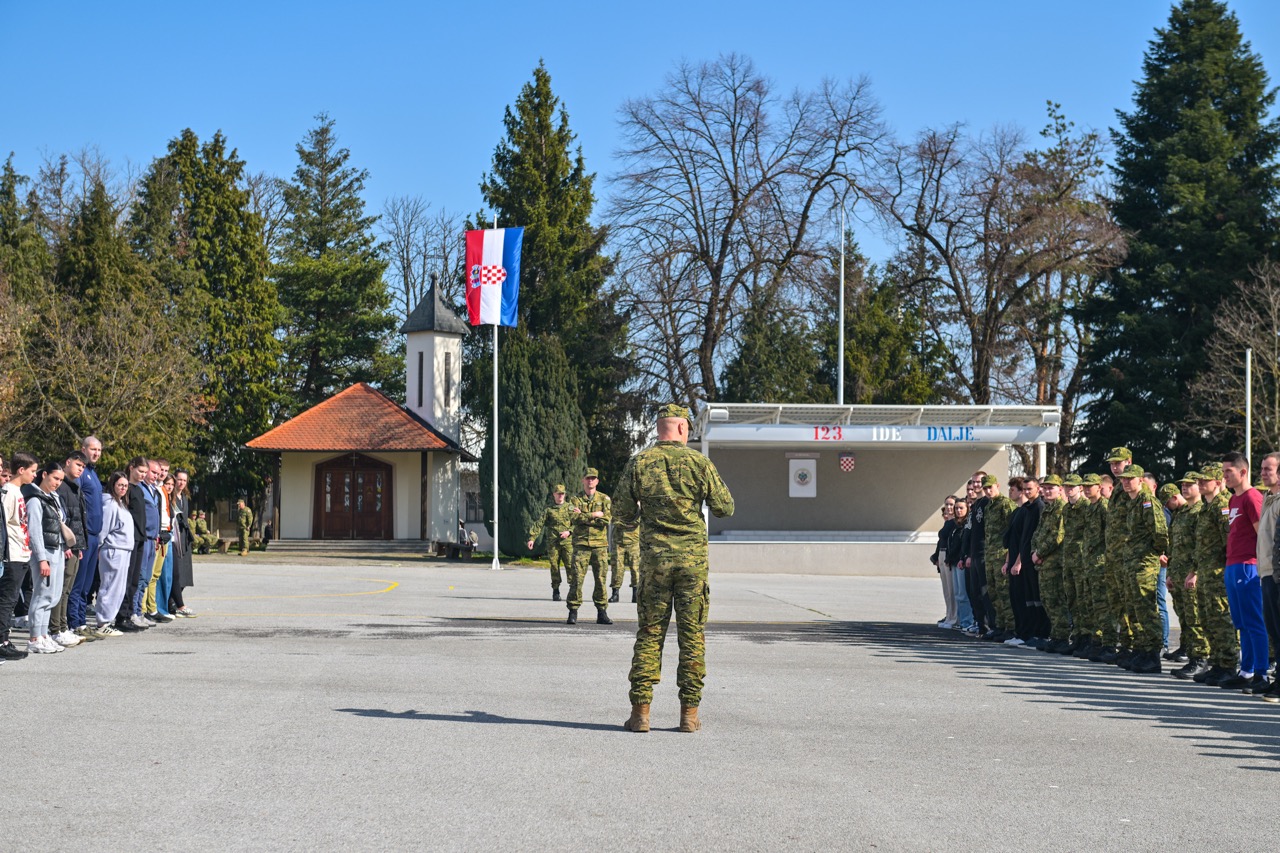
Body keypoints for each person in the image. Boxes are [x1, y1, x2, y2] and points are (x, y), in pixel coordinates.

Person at [616, 404, 734, 734]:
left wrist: (646, 519)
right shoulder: (700, 463)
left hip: (654, 563)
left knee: (650, 634)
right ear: (683, 429)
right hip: (692, 564)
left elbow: (622, 514)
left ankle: (640, 713)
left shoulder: (639, 463)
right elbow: (726, 507)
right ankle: (689, 715)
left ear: (659, 429)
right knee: (692, 635)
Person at [1218, 451, 1268, 693]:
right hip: (1232, 565)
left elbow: (1264, 536)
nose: (1224, 475)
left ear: (1243, 472)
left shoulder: (1252, 498)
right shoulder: (1232, 500)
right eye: (1224, 471)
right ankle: (1246, 671)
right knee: (1241, 623)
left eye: (1229, 471)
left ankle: (1261, 673)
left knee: (1254, 622)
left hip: (1249, 566)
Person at [1117, 465, 1168, 674]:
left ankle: (1153, 655)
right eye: (1123, 479)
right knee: (1134, 608)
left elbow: (1160, 531)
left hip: (1144, 563)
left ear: (1140, 480)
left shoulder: (1147, 501)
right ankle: (1141, 649)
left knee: (1146, 608)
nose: (1126, 482)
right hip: (1132, 562)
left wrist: (1152, 554)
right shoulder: (1133, 502)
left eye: (1131, 479)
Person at [1190, 463, 1237, 685]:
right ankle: (1217, 662)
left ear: (1218, 483)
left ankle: (1228, 664)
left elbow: (1229, 542)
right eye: (1199, 479)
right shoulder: (1206, 507)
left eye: (1204, 480)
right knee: (1208, 619)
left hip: (1219, 573)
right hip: (1206, 573)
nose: (1200, 483)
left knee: (1221, 619)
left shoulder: (1222, 506)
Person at [23, 462, 69, 654]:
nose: (57, 483)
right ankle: (34, 637)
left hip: (57, 549)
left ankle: (43, 635)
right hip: (45, 552)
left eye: (60, 480)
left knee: (53, 595)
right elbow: (34, 532)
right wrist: (42, 558)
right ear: (44, 475)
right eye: (55, 478)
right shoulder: (35, 499)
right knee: (42, 594)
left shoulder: (53, 498)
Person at [0, 452, 39, 660]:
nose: (35, 475)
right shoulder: (8, 492)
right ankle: (1, 641)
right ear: (21, 470)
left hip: (22, 553)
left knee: (12, 599)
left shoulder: (18, 492)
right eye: (32, 471)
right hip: (11, 554)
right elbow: (4, 525)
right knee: (7, 600)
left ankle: (5, 638)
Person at [1170, 472, 1209, 679]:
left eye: (1189, 484)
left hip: (1192, 574)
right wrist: (1170, 574)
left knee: (1195, 618)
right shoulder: (1183, 512)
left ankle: (1200, 659)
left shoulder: (1200, 511)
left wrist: (1195, 572)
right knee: (1185, 618)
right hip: (1178, 573)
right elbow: (1174, 546)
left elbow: (1201, 546)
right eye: (1182, 485)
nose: (1184, 488)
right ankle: (1192, 654)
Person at [51, 451, 88, 647]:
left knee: (67, 588)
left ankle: (63, 626)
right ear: (68, 462)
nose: (80, 469)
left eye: (83, 467)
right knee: (61, 589)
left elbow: (77, 520)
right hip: (65, 546)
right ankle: (56, 628)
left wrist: (79, 545)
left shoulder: (74, 487)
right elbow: (60, 519)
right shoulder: (62, 487)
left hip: (74, 545)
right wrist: (66, 544)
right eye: (78, 465)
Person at [68, 436, 103, 638]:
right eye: (93, 449)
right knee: (78, 583)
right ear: (83, 448)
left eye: (99, 450)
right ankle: (74, 623)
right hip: (84, 535)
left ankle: (81, 621)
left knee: (87, 584)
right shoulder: (81, 474)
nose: (96, 453)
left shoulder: (93, 474)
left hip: (95, 536)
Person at [568, 469, 612, 625]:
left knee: (600, 579)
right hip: (581, 545)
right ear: (583, 480)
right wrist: (594, 515)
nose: (590, 481)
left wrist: (584, 515)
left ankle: (602, 612)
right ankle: (573, 611)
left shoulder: (605, 499)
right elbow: (573, 518)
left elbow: (606, 520)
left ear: (597, 481)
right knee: (577, 579)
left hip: (600, 546)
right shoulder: (575, 500)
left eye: (593, 479)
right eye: (588, 478)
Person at [1031, 474, 1069, 653]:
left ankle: (1062, 637)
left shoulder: (1061, 508)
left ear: (1060, 489)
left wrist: (1039, 552)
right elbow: (1037, 533)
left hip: (1055, 563)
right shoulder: (1048, 509)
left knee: (1056, 600)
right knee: (1047, 600)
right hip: (1043, 563)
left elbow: (1058, 536)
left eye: (1051, 488)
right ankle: (1055, 635)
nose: (1047, 491)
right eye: (1045, 488)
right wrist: (1034, 551)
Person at [94, 472, 133, 636]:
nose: (123, 488)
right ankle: (102, 623)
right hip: (113, 550)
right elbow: (104, 529)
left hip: (124, 550)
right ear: (113, 485)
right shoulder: (110, 503)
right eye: (120, 485)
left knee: (118, 588)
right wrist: (99, 547)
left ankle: (108, 620)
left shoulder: (121, 503)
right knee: (109, 587)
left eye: (125, 486)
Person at [981, 476, 1016, 641]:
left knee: (1004, 592)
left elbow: (1012, 531)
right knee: (994, 592)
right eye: (985, 488)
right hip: (990, 555)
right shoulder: (989, 507)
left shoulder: (1005, 504)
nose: (988, 491)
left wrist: (1009, 557)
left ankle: (1011, 627)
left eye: (990, 487)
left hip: (1002, 555)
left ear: (997, 486)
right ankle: (1000, 626)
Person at [526, 484, 575, 601]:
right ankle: (556, 590)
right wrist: (532, 538)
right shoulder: (549, 510)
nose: (560, 496)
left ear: (565, 494)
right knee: (554, 566)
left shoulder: (570, 508)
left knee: (570, 565)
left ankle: (573, 590)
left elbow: (577, 523)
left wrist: (569, 532)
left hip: (567, 543)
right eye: (558, 494)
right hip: (553, 543)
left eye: (562, 493)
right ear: (554, 495)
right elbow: (539, 523)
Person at [1258, 453, 1280, 702]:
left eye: (1269, 469)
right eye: (1262, 469)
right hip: (1265, 572)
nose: (1264, 473)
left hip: (1276, 573)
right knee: (1273, 630)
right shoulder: (1269, 498)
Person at [170, 470, 196, 617]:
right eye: (179, 479)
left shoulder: (184, 497)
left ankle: (175, 601)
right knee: (177, 573)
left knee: (186, 574)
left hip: (185, 538)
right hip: (175, 538)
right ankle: (174, 603)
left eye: (184, 480)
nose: (181, 483)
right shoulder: (171, 496)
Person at [612, 520, 641, 604]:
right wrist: (627, 523)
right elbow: (614, 519)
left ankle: (635, 594)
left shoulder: (638, 506)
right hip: (618, 540)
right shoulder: (617, 506)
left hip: (634, 540)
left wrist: (624, 523)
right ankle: (615, 593)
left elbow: (639, 519)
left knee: (635, 568)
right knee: (617, 568)